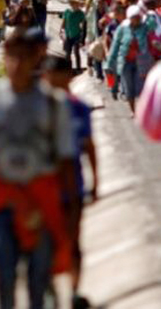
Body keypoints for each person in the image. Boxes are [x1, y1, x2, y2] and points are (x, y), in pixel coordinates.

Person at [0, 31, 78, 309]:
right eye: (11, 56)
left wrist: (71, 208)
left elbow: (66, 160)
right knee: (5, 275)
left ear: (35, 59)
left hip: (42, 196)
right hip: (2, 198)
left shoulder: (54, 103)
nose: (16, 64)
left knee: (39, 277)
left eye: (24, 56)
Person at [43, 56, 99, 309]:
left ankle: (75, 290)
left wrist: (96, 181)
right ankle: (48, 289)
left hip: (71, 187)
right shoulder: (37, 108)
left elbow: (89, 146)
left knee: (73, 242)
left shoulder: (79, 108)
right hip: (42, 187)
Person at [62, 0, 86, 71]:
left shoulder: (81, 13)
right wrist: (62, 31)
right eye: (73, 4)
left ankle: (78, 68)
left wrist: (82, 36)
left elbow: (83, 24)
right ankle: (68, 68)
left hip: (77, 35)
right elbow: (64, 22)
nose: (75, 5)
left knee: (76, 52)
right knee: (67, 53)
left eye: (76, 4)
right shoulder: (67, 12)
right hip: (68, 34)